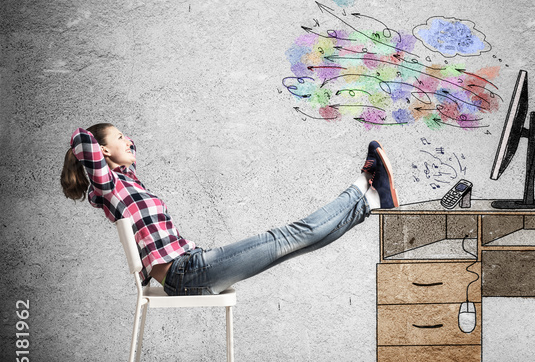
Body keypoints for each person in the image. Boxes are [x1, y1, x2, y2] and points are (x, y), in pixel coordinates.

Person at [60, 124, 397, 295]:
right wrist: (98, 144)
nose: (130, 140)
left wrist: (122, 146)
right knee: (290, 235)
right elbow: (81, 139)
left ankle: (370, 201)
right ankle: (365, 180)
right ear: (101, 150)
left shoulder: (126, 180)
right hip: (185, 273)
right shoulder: (107, 186)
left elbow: (124, 153)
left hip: (192, 266)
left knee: (297, 244)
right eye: (120, 137)